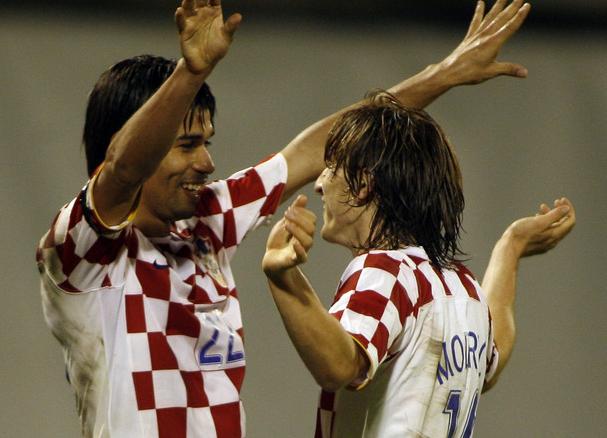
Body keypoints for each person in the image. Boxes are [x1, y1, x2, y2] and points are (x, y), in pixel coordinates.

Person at [36, 0, 534, 436]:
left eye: (206, 142)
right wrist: (190, 74)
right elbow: (122, 170)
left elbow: (319, 148)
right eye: (187, 144)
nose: (207, 162)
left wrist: (446, 72)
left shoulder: (207, 222)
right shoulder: (81, 253)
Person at [261, 93, 576, 437]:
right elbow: (492, 358)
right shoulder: (464, 286)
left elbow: (340, 367)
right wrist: (510, 248)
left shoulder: (384, 270)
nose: (319, 184)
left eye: (332, 167)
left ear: (363, 185)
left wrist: (284, 278)